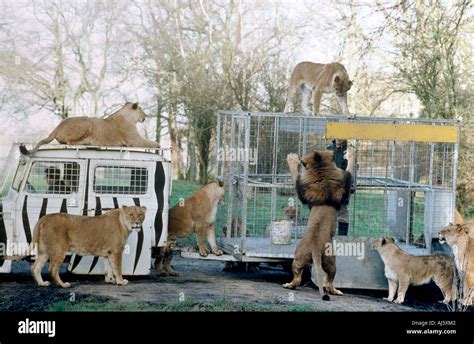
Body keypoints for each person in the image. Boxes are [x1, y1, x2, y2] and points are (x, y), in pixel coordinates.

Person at [327, 139, 354, 235]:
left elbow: (351, 168)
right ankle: (328, 239)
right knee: (328, 211)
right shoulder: (328, 149)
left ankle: (342, 239)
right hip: (330, 185)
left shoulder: (349, 150)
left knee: (342, 212)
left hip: (343, 184)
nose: (339, 138)